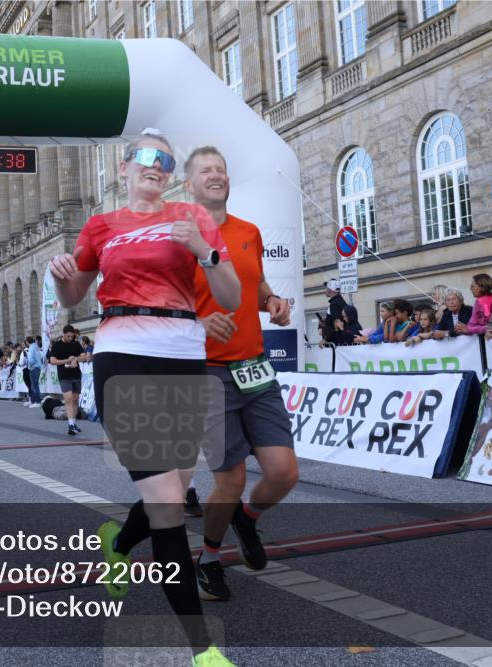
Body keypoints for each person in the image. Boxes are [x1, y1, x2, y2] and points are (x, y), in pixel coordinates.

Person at [50, 131, 240, 667]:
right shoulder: (102, 225)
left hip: (183, 353)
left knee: (177, 487)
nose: (157, 166)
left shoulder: (190, 216)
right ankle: (203, 650)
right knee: (166, 505)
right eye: (147, 158)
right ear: (126, 166)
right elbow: (73, 297)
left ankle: (118, 540)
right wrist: (62, 276)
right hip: (122, 352)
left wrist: (206, 251)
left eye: (166, 160)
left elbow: (231, 296)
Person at [184, 145, 298, 603]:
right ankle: (209, 560)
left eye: (221, 170)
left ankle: (245, 519)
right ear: (190, 184)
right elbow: (160, 309)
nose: (216, 176)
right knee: (228, 481)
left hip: (254, 367)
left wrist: (273, 301)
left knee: (284, 473)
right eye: (205, 171)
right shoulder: (180, 238)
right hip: (206, 373)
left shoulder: (249, 231)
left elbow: (254, 287)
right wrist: (196, 322)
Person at [49, 325, 88, 436]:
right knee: (68, 398)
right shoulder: (56, 345)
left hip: (76, 375)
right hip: (64, 375)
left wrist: (75, 358)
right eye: (68, 336)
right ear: (64, 334)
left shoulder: (76, 344)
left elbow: (85, 357)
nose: (70, 338)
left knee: (75, 399)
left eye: (72, 336)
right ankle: (70, 425)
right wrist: (67, 360)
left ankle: (73, 423)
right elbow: (52, 361)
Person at [25, 336, 43, 407]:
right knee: (35, 385)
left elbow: (31, 359)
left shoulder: (31, 348)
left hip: (34, 368)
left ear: (27, 342)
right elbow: (40, 357)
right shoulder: (36, 347)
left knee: (34, 385)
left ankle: (37, 402)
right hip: (38, 367)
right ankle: (35, 401)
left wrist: (29, 364)